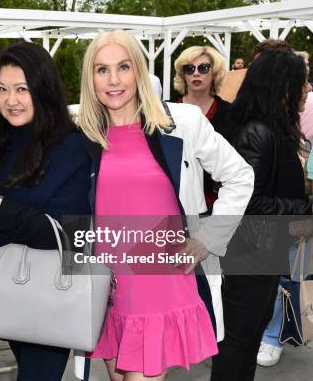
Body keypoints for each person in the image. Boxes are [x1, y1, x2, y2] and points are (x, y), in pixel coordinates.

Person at [78, 30, 253, 381]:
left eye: (124, 67)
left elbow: (239, 175)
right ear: (90, 79)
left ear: (139, 71)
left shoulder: (182, 122)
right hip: (105, 286)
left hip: (159, 284)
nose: (114, 80)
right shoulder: (81, 135)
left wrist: (206, 240)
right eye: (102, 70)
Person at [0, 41, 91, 381]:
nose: (11, 100)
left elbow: (67, 233)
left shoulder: (72, 146)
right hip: (4, 290)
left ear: (43, 89)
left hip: (51, 293)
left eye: (22, 89)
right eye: (2, 90)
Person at [211, 50, 312, 381]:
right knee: (238, 341)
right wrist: (305, 208)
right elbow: (248, 202)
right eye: (302, 81)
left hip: (264, 250)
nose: (307, 88)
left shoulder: (272, 127)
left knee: (248, 337)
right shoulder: (257, 131)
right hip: (249, 252)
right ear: (283, 86)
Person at [173, 46, 231, 209]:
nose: (196, 73)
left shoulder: (231, 114)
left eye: (204, 68)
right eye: (189, 68)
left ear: (215, 73)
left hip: (218, 204)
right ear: (182, 74)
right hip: (177, 200)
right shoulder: (167, 110)